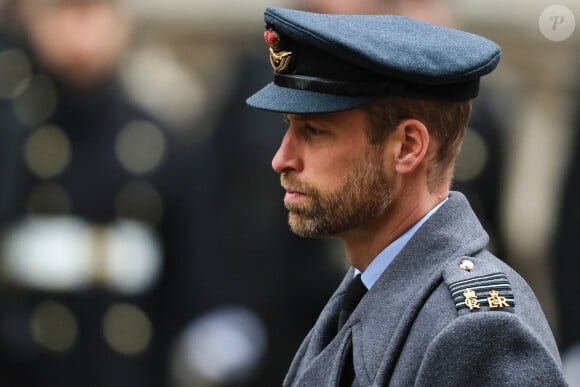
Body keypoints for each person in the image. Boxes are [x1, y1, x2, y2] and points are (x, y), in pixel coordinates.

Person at [246, 7, 566, 386]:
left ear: (407, 147)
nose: (281, 159)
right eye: (289, 128)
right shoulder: (365, 289)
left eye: (314, 131)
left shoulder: (477, 331)